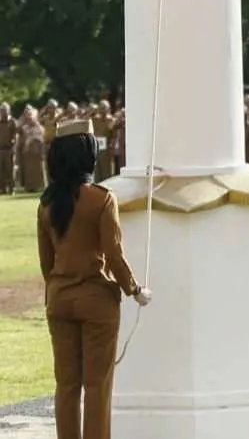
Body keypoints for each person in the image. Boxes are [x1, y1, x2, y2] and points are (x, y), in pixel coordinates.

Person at [37, 119, 152, 439]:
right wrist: (134, 289)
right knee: (97, 387)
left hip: (59, 299)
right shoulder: (102, 199)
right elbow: (113, 256)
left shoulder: (46, 204)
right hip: (96, 301)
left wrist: (61, 286)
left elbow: (47, 264)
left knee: (66, 386)